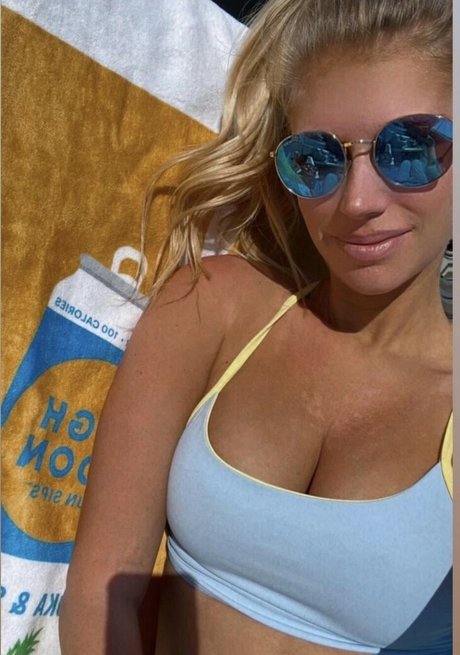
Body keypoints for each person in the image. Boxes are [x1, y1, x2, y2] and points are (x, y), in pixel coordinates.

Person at [59, 0, 453, 653]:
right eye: (317, 159)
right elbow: (103, 590)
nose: (358, 201)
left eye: (409, 148)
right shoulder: (214, 307)